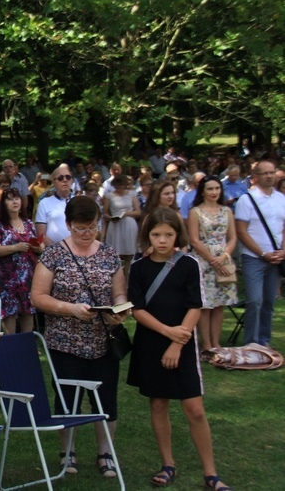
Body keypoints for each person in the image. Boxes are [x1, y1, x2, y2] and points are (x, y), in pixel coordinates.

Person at [127, 207, 229, 490]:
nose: (162, 240)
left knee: (194, 407)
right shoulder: (138, 266)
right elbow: (137, 309)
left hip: (182, 342)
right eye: (156, 234)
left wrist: (176, 341)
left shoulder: (189, 264)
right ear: (147, 235)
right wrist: (165, 332)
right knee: (158, 403)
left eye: (168, 234)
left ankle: (211, 473)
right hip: (151, 341)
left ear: (177, 235)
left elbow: (195, 305)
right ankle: (167, 464)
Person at [31, 196, 129, 478]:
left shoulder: (109, 254)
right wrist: (70, 309)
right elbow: (37, 297)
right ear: (68, 225)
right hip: (65, 342)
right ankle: (67, 452)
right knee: (67, 400)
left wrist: (119, 310)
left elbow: (119, 292)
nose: (87, 234)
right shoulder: (53, 255)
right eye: (80, 229)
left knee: (106, 399)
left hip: (103, 341)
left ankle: (105, 452)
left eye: (93, 228)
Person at [234, 160, 285, 346]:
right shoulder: (246, 200)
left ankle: (264, 342)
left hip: (276, 258)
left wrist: (283, 251)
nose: (269, 176)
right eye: (265, 173)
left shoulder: (281, 199)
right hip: (253, 257)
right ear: (255, 177)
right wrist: (263, 253)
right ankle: (251, 343)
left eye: (272, 172)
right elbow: (241, 231)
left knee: (269, 302)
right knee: (255, 301)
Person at [188, 176, 237, 353]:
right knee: (205, 304)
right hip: (203, 260)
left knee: (219, 304)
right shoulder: (195, 212)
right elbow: (194, 240)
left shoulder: (227, 211)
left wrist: (224, 255)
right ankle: (206, 344)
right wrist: (211, 259)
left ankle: (217, 343)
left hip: (223, 259)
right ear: (202, 191)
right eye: (210, 189)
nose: (214, 192)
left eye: (217, 188)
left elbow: (232, 238)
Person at [0, 188, 41, 334]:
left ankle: (27, 348)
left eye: (17, 198)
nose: (15, 201)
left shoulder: (29, 223)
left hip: (28, 277)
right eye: (10, 199)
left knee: (28, 311)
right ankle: (11, 349)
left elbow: (40, 245)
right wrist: (15, 247)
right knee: (9, 314)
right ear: (3, 203)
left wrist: (38, 247)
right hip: (7, 279)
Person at [102, 175, 140, 279]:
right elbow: (105, 213)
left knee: (129, 254)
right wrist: (111, 217)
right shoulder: (109, 196)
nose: (119, 188)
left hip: (129, 225)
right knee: (115, 255)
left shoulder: (132, 194)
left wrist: (126, 214)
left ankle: (127, 280)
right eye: (117, 186)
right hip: (115, 226)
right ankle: (116, 279)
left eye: (121, 186)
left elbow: (138, 212)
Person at [35, 164, 75, 247]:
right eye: (60, 178)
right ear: (53, 182)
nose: (65, 180)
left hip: (78, 250)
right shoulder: (44, 203)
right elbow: (41, 234)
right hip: (53, 252)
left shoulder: (79, 201)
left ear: (71, 180)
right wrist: (59, 250)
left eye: (68, 177)